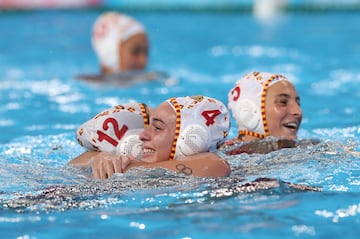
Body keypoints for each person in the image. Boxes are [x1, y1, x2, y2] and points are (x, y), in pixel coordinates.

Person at [70, 95, 231, 179]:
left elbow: (213, 165)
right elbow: (73, 165)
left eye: (158, 128)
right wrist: (100, 158)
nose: (143, 135)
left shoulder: (215, 165)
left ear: (191, 140)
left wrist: (122, 168)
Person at [224, 71, 318, 155]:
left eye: (298, 104)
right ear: (248, 111)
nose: (298, 111)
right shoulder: (225, 157)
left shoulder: (307, 148)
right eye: (283, 102)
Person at [77, 11, 168, 84]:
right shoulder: (87, 83)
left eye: (146, 52)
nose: (144, 60)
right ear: (112, 54)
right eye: (135, 51)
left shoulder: (151, 80)